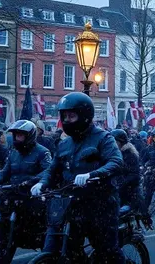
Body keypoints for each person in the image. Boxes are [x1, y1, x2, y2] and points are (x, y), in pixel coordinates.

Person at [32, 92, 125, 263]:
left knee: (107, 249)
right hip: (73, 204)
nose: (67, 120)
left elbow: (116, 162)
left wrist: (93, 174)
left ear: (84, 115)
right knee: (70, 249)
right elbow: (53, 169)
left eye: (72, 116)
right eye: (64, 116)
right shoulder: (65, 143)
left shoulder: (103, 138)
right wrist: (42, 183)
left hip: (101, 203)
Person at [0, 120, 51, 263]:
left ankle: (43, 251)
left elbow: (48, 171)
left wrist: (32, 182)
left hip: (31, 195)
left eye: (20, 135)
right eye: (15, 135)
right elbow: (6, 171)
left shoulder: (43, 152)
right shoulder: (13, 152)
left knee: (36, 224)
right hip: (13, 194)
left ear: (29, 135)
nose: (17, 138)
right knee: (5, 229)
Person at [111, 129, 149, 228]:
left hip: (129, 189)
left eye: (115, 141)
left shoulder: (130, 155)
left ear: (121, 142)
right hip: (115, 188)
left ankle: (145, 221)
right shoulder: (112, 154)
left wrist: (121, 184)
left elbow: (134, 174)